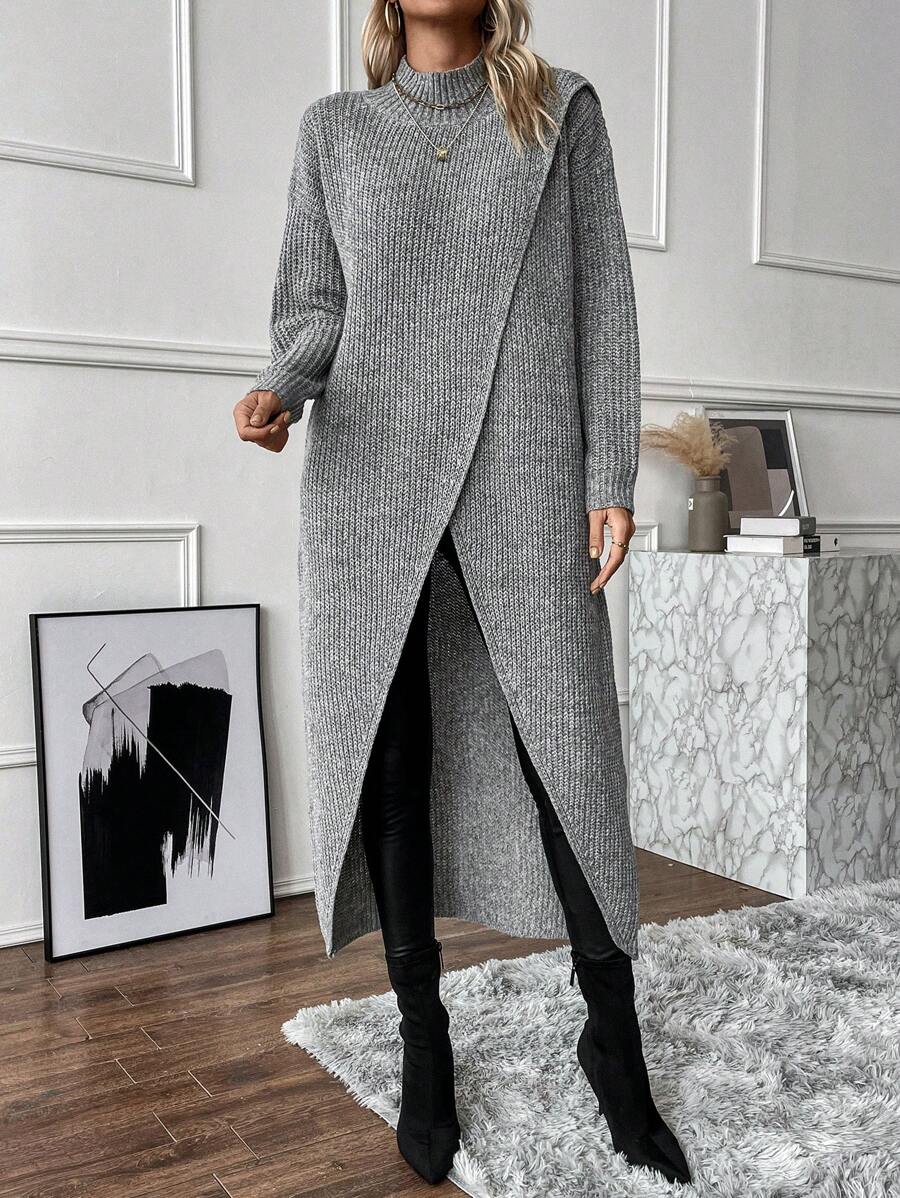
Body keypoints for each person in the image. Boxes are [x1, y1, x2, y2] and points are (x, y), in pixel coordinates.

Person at [235, 0, 690, 1188]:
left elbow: (603, 303)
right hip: (370, 483)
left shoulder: (558, 113)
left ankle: (615, 1042)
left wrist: (607, 472)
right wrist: (281, 389)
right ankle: (422, 1040)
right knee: (393, 766)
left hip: (524, 470)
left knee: (569, 757)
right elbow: (314, 309)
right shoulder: (336, 132)